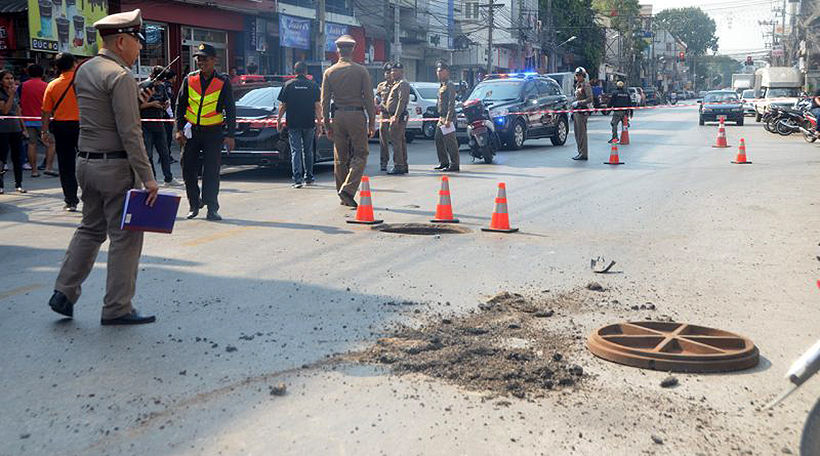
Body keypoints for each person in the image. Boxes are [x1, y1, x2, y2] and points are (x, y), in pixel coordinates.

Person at [48, 9, 159, 325]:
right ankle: (117, 308)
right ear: (122, 41)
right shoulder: (121, 76)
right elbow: (130, 132)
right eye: (137, 40)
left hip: (87, 163)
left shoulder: (86, 69)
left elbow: (101, 114)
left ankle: (63, 292)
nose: (140, 47)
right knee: (126, 237)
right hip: (114, 168)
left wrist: (133, 99)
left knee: (90, 229)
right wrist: (149, 178)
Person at [175, 43, 236, 221]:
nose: (201, 62)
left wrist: (230, 135)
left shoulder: (223, 81)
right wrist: (178, 130)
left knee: (211, 171)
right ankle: (194, 204)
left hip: (213, 133)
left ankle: (211, 207)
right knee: (188, 169)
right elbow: (180, 106)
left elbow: (231, 110)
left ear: (214, 60)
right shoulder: (189, 79)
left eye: (204, 59)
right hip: (192, 132)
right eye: (198, 59)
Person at [320, 34, 376, 208]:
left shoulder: (329, 72)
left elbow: (324, 101)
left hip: (338, 116)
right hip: (356, 116)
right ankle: (349, 189)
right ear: (352, 50)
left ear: (337, 51)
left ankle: (343, 194)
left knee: (340, 157)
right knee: (361, 154)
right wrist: (372, 122)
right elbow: (368, 98)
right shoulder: (361, 71)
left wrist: (327, 124)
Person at [41, 52, 81, 211]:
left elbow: (46, 111)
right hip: (83, 126)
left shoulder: (52, 85)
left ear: (57, 67)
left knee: (66, 164)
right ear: (74, 64)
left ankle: (71, 200)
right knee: (90, 161)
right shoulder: (82, 82)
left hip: (61, 127)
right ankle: (93, 197)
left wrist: (44, 131)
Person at [276, 61, 321, 188]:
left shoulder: (288, 85)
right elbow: (318, 106)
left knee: (296, 151)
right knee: (308, 151)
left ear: (294, 71)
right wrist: (320, 124)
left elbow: (282, 106)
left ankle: (297, 179)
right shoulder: (313, 85)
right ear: (306, 71)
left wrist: (279, 120)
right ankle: (309, 177)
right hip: (309, 123)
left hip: (293, 123)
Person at [140, 65, 179, 187]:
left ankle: (168, 178)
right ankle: (153, 179)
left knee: (165, 152)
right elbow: (138, 106)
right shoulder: (143, 86)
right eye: (157, 80)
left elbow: (166, 101)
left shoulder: (161, 87)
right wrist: (152, 104)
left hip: (159, 123)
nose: (159, 83)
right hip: (146, 125)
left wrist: (165, 105)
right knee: (149, 154)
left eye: (161, 81)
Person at [20, 64, 57, 177]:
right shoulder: (46, 86)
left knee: (32, 144)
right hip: (44, 120)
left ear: (28, 73)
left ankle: (34, 171)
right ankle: (48, 168)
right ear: (42, 74)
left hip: (27, 119)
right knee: (51, 143)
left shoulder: (22, 86)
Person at [0, 69, 27, 194]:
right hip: (3, 129)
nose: (10, 81)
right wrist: (10, 95)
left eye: (11, 78)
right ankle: (1, 185)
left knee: (18, 157)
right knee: (2, 158)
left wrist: (24, 128)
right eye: (7, 78)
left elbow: (18, 110)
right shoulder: (3, 94)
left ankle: (19, 184)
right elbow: (5, 110)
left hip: (15, 128)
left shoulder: (15, 93)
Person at [433, 61, 459, 172]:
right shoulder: (442, 85)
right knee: (438, 139)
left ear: (446, 72)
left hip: (448, 118)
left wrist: (448, 119)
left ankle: (455, 164)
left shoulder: (450, 85)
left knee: (450, 142)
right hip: (441, 117)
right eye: (437, 71)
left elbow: (451, 103)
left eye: (441, 71)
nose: (439, 73)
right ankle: (443, 162)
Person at [385, 62, 410, 175]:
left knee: (396, 141)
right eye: (392, 71)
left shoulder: (402, 84)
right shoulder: (396, 84)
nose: (393, 73)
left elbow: (402, 100)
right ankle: (403, 164)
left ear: (401, 72)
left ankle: (399, 165)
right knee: (400, 141)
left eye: (395, 71)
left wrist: (396, 116)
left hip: (398, 117)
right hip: (394, 115)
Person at [571, 66, 593, 161]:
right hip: (576, 111)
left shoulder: (586, 85)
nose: (577, 77)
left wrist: (579, 103)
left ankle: (584, 153)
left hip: (582, 112)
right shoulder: (578, 85)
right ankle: (580, 152)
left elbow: (590, 98)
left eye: (579, 75)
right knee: (577, 134)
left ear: (583, 76)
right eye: (576, 75)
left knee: (582, 134)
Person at [375, 62, 394, 172]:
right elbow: (377, 97)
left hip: (394, 114)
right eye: (386, 73)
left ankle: (400, 163)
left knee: (397, 140)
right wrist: (376, 102)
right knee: (383, 141)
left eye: (389, 73)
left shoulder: (397, 85)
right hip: (384, 115)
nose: (388, 75)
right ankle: (384, 162)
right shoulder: (381, 86)